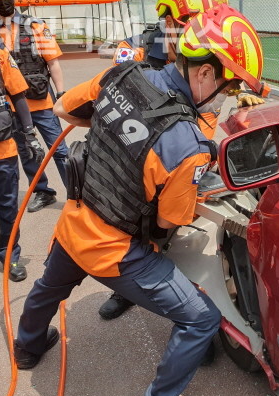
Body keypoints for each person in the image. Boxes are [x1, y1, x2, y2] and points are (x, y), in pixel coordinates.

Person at [13, 5, 266, 396]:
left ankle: (28, 348)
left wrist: (119, 133)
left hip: (74, 225)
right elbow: (172, 219)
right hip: (117, 251)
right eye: (229, 86)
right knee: (201, 320)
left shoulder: (120, 75)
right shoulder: (187, 144)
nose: (226, 97)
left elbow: (64, 108)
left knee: (47, 290)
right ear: (205, 74)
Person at [100, 0, 267, 321]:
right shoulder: (142, 53)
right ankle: (129, 290)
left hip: (194, 155)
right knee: (145, 231)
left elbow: (238, 68)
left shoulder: (215, 43)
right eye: (182, 24)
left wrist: (245, 95)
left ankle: (188, 305)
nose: (190, 32)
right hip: (150, 164)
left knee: (183, 233)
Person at [0, 32, 43, 286]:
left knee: (8, 208)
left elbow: (18, 95)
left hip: (3, 149)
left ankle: (10, 255)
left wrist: (30, 134)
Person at [0, 0, 69, 213]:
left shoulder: (36, 26)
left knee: (59, 149)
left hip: (42, 102)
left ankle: (76, 191)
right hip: (12, 106)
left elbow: (53, 63)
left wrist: (61, 95)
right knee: (27, 152)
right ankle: (43, 192)